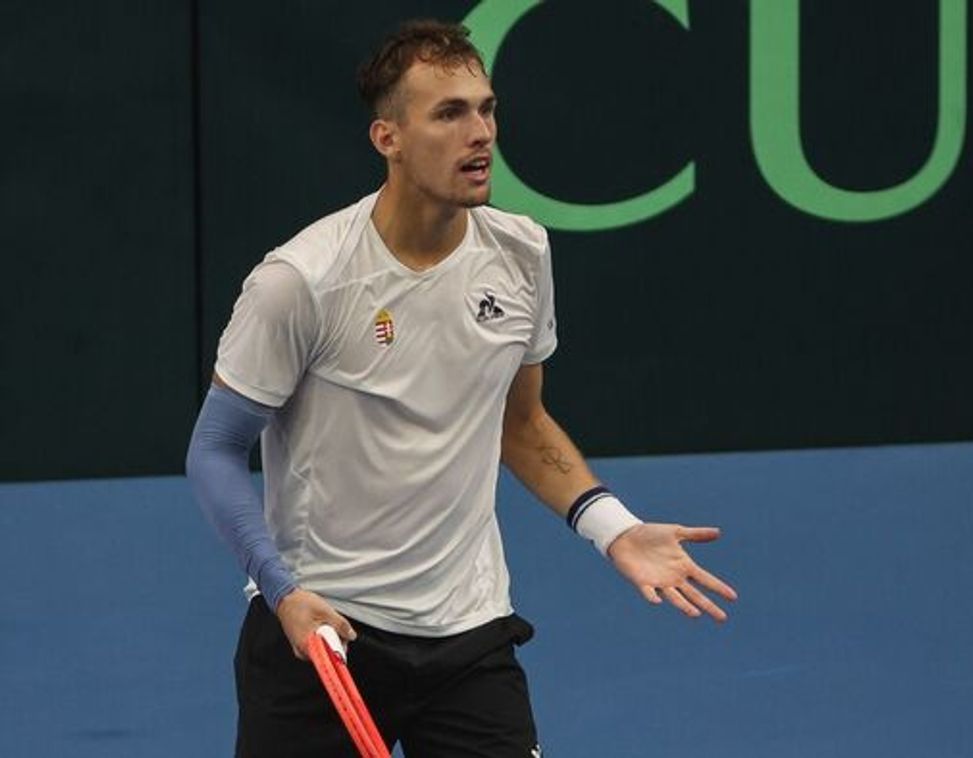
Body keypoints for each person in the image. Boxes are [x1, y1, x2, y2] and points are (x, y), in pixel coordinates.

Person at [185, 19, 736, 758]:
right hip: (322, 634)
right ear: (388, 138)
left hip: (469, 636)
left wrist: (614, 528)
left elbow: (522, 422)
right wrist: (280, 591)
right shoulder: (303, 280)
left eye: (486, 109)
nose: (480, 134)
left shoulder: (521, 252)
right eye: (449, 114)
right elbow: (215, 450)